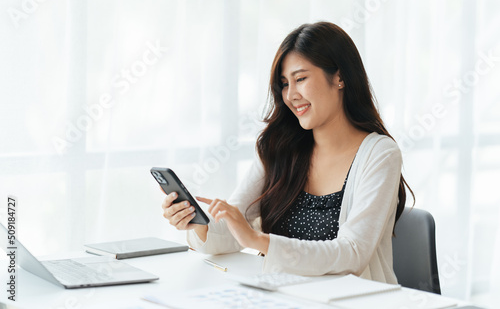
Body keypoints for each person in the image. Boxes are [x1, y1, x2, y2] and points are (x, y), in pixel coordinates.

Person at [161, 21, 413, 284]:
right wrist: (198, 222)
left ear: (339, 77)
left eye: (300, 79)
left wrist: (259, 240)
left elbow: (353, 253)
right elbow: (235, 228)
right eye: (284, 84)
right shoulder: (280, 148)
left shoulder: (380, 154)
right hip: (285, 296)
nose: (291, 95)